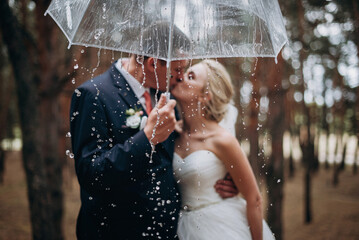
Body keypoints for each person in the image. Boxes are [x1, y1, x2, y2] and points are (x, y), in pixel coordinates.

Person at [70, 22, 237, 239]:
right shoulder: (94, 95)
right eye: (177, 69)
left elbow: (197, 140)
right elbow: (91, 174)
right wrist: (147, 138)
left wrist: (225, 173)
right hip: (116, 232)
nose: (180, 76)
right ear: (152, 63)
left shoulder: (169, 97)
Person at [171, 59, 275, 240]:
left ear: (205, 95)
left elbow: (254, 199)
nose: (180, 77)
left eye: (191, 76)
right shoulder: (171, 132)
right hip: (182, 228)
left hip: (220, 228)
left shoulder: (222, 140)